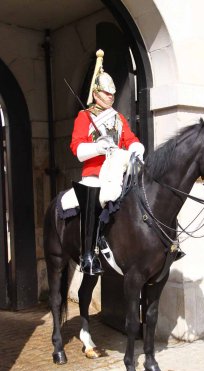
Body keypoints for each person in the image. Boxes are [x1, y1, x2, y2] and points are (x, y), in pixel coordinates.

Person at [70, 49, 145, 276]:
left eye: (112, 94)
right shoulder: (85, 116)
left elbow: (130, 138)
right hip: (94, 173)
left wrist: (136, 148)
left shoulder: (119, 118)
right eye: (106, 93)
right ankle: (88, 255)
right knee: (93, 199)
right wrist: (98, 147)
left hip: (116, 170)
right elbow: (77, 148)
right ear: (96, 93)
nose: (111, 97)